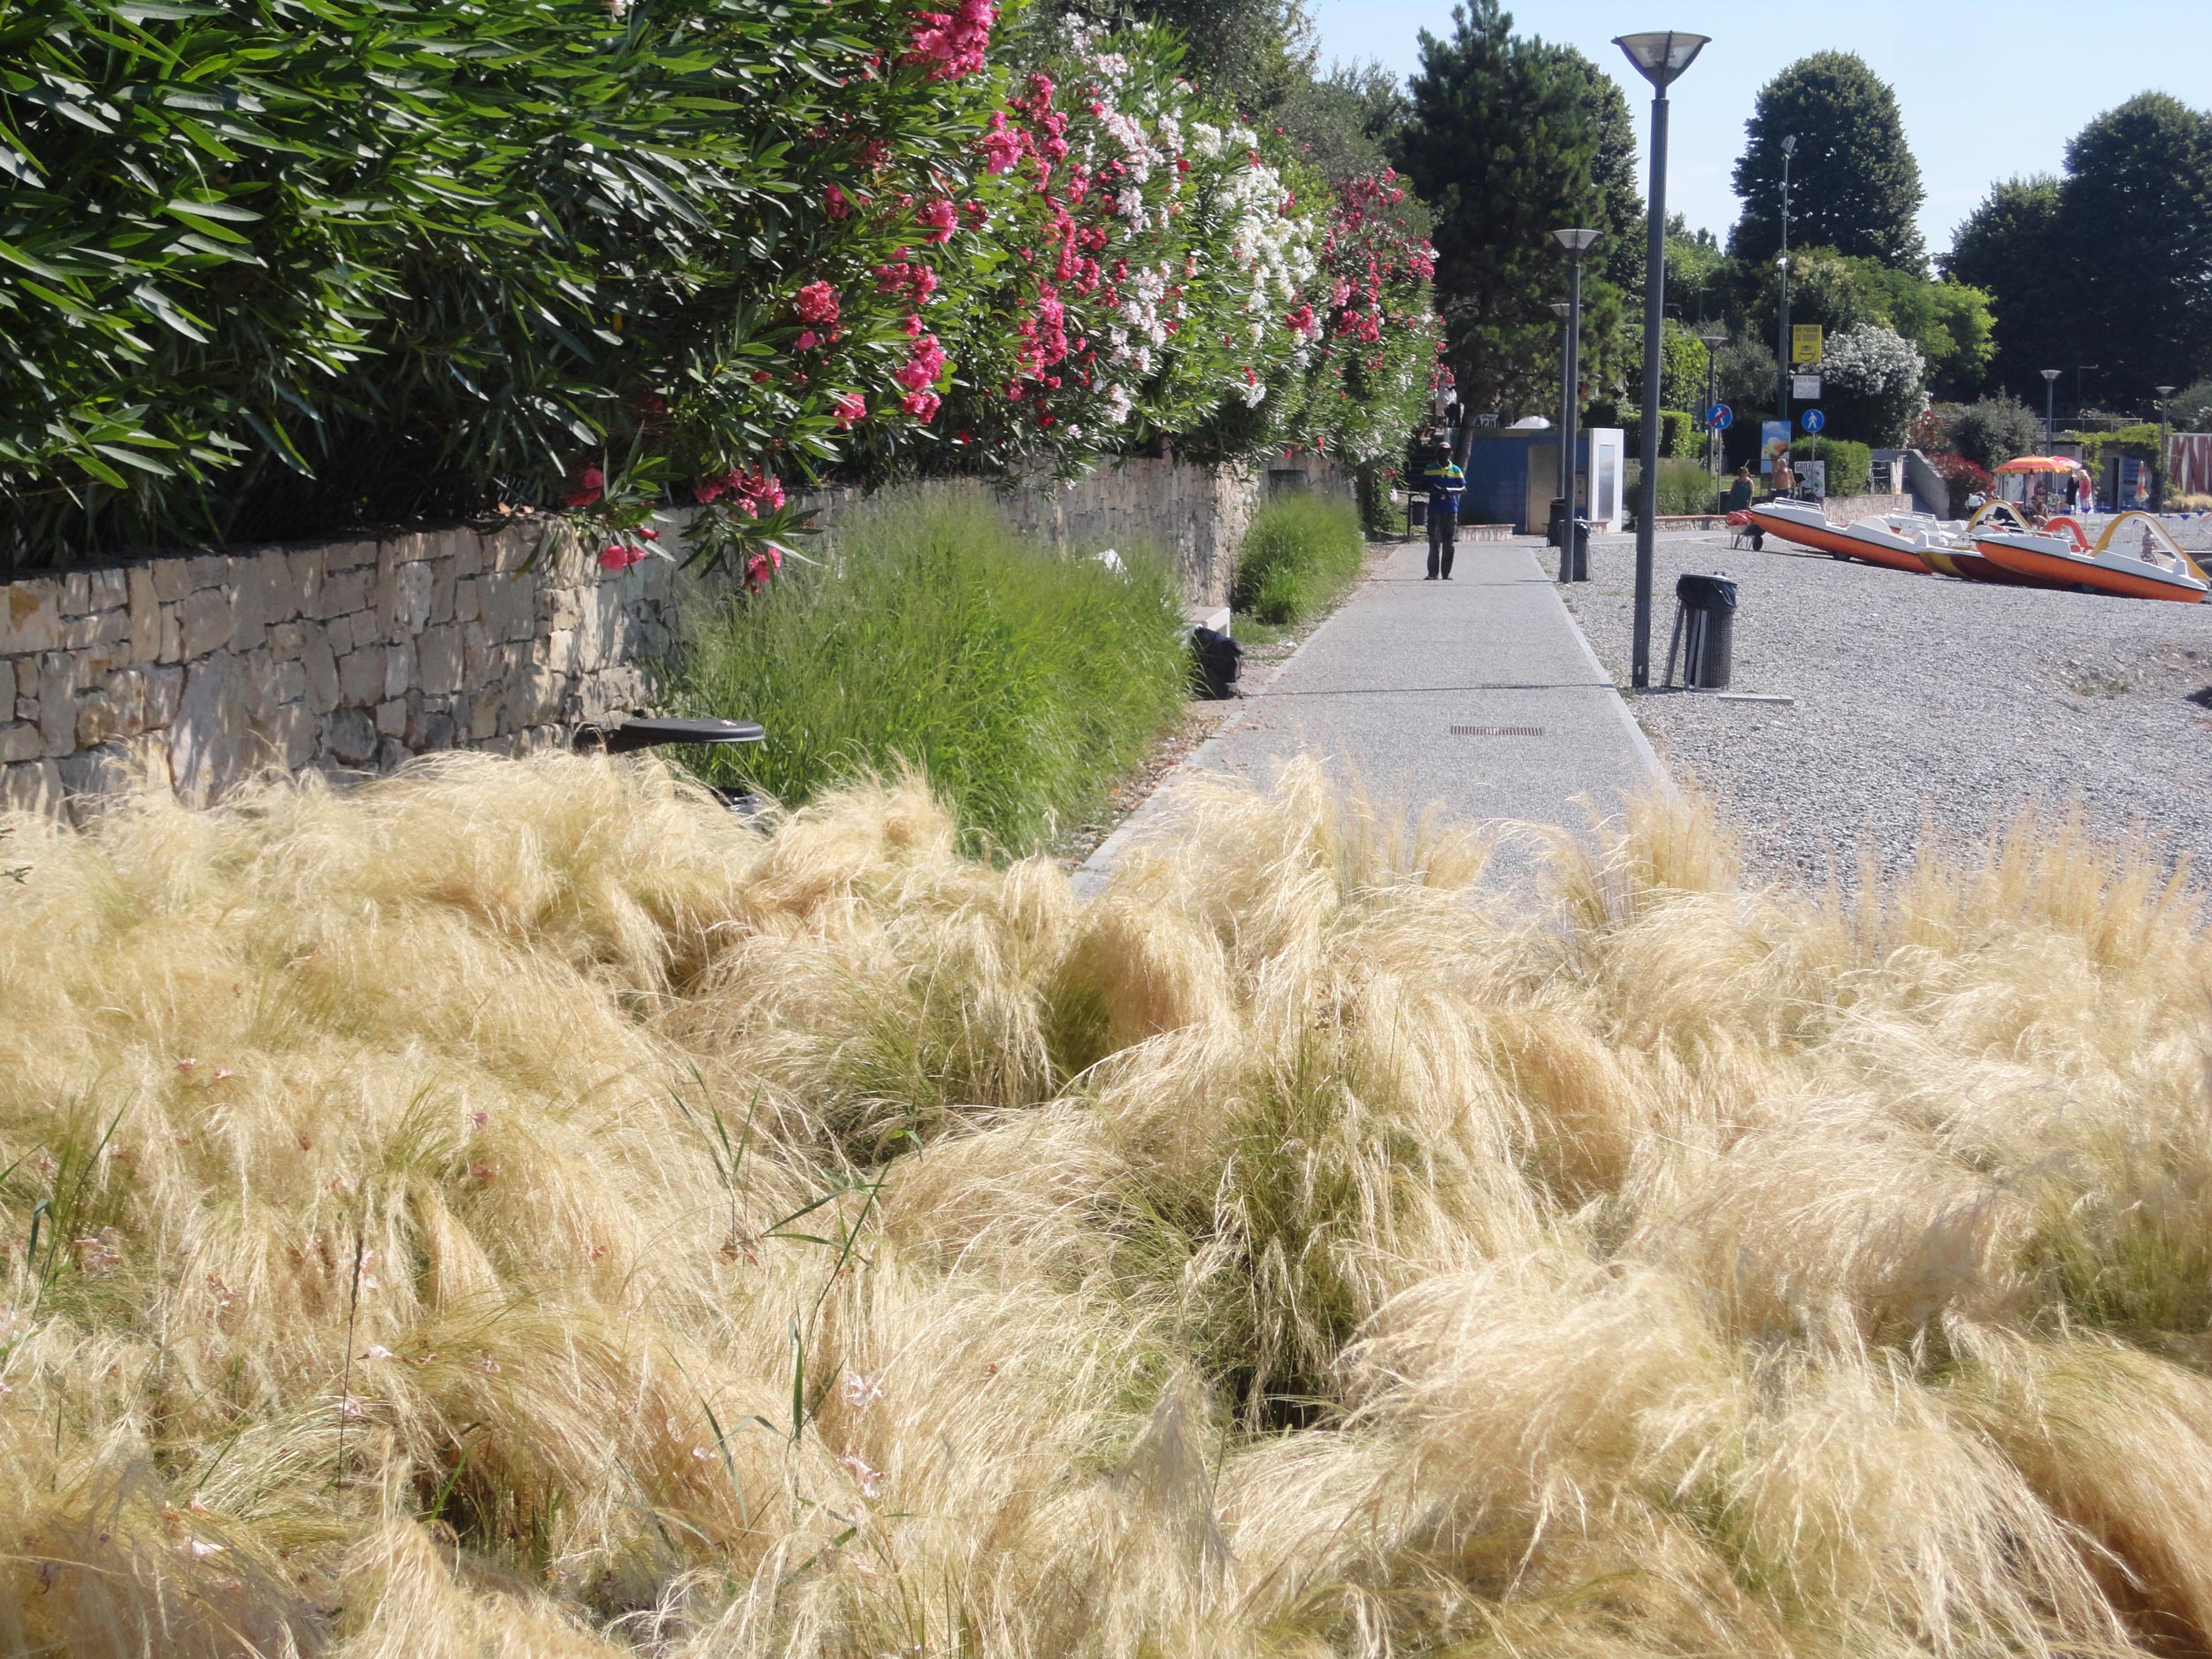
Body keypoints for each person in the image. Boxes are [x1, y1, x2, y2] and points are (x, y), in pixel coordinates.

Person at [1421, 442, 1465, 580]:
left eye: (1446, 451)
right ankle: (1432, 573)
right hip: (1435, 509)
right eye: (1441, 451)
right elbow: (1424, 484)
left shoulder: (1456, 470)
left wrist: (1451, 491)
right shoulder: (1430, 468)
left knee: (1448, 542)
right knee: (1434, 541)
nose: (1443, 454)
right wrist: (1435, 488)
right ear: (1437, 453)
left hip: (1451, 510)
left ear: (1450, 453)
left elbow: (1464, 489)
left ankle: (1446, 573)